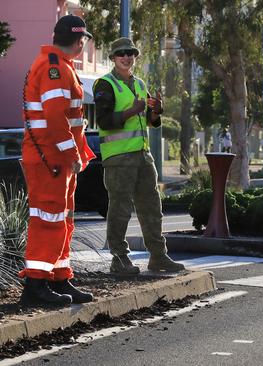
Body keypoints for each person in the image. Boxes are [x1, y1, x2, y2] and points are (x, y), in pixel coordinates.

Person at [19, 15, 96, 306]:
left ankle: (59, 277)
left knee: (61, 219)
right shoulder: (55, 68)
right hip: (50, 159)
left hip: (52, 158)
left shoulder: (56, 65)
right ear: (80, 42)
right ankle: (36, 285)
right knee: (49, 219)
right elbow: (55, 118)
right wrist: (73, 154)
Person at [93, 38, 184, 275]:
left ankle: (158, 256)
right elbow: (102, 121)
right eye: (121, 53)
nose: (126, 57)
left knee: (152, 206)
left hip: (143, 156)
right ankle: (119, 259)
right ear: (113, 58)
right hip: (118, 158)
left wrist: (155, 111)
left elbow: (150, 122)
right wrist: (132, 110)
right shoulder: (105, 84)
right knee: (120, 208)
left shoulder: (140, 84)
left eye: (130, 53)